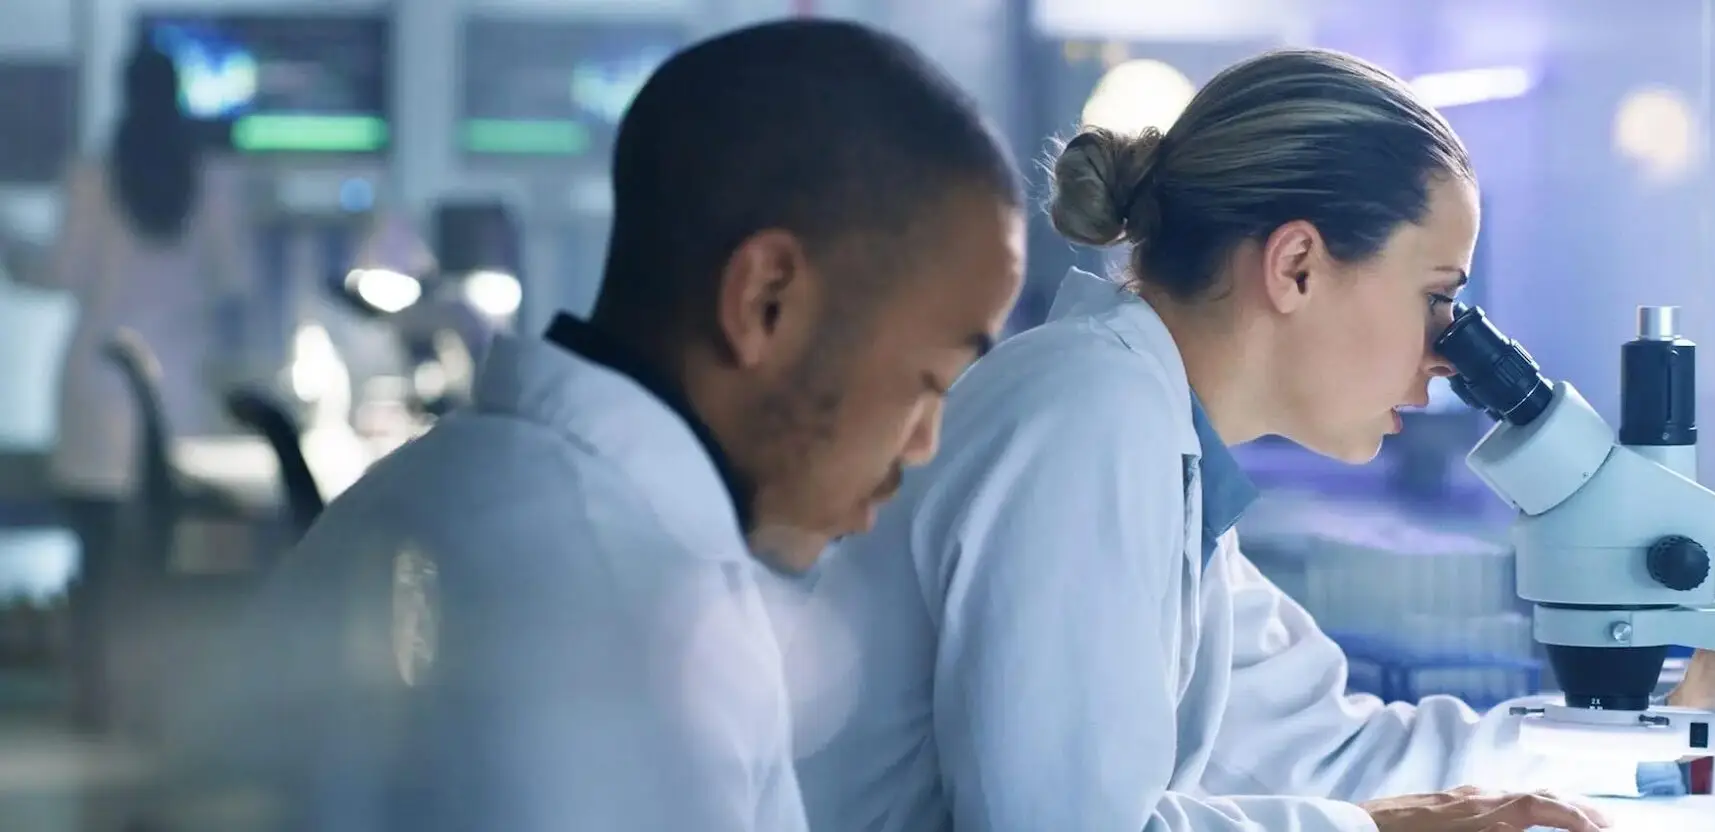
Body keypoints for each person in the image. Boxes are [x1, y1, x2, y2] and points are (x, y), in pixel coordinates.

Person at [770, 47, 1715, 832]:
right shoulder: (1086, 414)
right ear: (1298, 265)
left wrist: (1671, 740)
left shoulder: (1160, 450)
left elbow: (1337, 756)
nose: (1448, 355)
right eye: (1438, 297)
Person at [187, 20, 1024, 831]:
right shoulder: (620, 613)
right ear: (766, 299)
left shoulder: (454, 485)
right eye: (931, 382)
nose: (924, 445)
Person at [21, 41, 250, 732]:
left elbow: (60, 272)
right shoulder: (210, 180)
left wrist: (11, 252)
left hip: (96, 389)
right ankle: (155, 698)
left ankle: (96, 700)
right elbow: (234, 282)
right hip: (171, 396)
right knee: (156, 558)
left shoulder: (92, 177)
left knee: (95, 559)